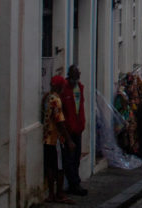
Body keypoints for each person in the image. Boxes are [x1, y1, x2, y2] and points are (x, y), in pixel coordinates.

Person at [42, 77, 75, 205]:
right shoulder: (56, 100)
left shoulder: (47, 98)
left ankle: (51, 194)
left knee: (50, 167)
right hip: (55, 139)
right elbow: (60, 122)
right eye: (62, 86)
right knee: (60, 167)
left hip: (46, 138)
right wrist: (69, 140)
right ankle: (59, 194)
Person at [59, 65, 87, 196]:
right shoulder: (64, 90)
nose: (76, 78)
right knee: (69, 159)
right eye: (74, 76)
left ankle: (74, 183)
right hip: (68, 130)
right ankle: (74, 184)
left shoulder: (79, 88)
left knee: (76, 158)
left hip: (78, 129)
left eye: (77, 76)